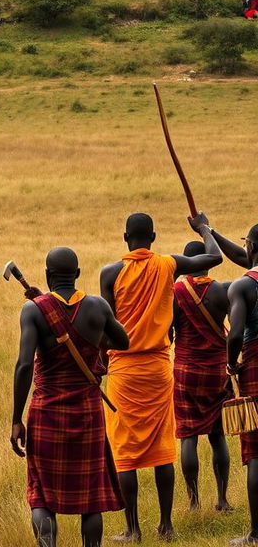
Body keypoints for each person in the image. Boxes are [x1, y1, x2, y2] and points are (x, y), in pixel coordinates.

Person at [100, 212, 222, 541]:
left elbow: (108, 329)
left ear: (126, 237)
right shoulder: (167, 265)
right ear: (153, 237)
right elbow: (214, 257)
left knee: (125, 451)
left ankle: (133, 529)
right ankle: (166, 525)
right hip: (157, 366)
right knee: (162, 448)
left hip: (123, 370)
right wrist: (203, 229)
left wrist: (99, 363)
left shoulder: (110, 273)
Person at [11, 247, 129, 547]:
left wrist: (15, 420)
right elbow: (123, 341)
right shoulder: (98, 307)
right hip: (88, 412)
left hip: (47, 411)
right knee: (91, 498)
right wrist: (93, 339)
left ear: (48, 275)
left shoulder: (34, 310)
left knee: (42, 494)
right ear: (77, 274)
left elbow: (24, 365)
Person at [173, 240, 231, 512]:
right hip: (217, 370)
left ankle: (194, 502)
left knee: (189, 436)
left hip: (186, 369)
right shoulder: (220, 290)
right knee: (218, 434)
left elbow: (168, 333)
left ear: (186, 264)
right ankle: (222, 499)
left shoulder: (176, 292)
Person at [225, 222, 258, 544]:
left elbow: (235, 334)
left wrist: (230, 365)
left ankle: (255, 533)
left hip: (255, 372)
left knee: (256, 453)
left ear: (251, 248)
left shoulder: (243, 286)